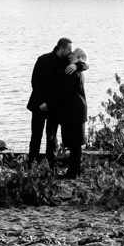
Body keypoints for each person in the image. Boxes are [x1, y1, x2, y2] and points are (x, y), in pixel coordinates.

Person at [26, 37, 86, 169]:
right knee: (36, 135)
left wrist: (77, 65)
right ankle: (31, 164)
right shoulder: (43, 59)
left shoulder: (68, 62)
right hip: (39, 105)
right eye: (69, 49)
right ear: (62, 48)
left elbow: (85, 64)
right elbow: (35, 82)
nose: (71, 53)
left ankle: (51, 166)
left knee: (51, 138)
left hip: (55, 106)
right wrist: (42, 102)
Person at [49, 47, 89, 179]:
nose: (70, 57)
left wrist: (50, 104)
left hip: (74, 111)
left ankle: (73, 172)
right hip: (77, 110)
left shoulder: (73, 72)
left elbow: (63, 92)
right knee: (75, 143)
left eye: (72, 57)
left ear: (77, 59)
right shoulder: (78, 71)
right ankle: (74, 170)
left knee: (75, 143)